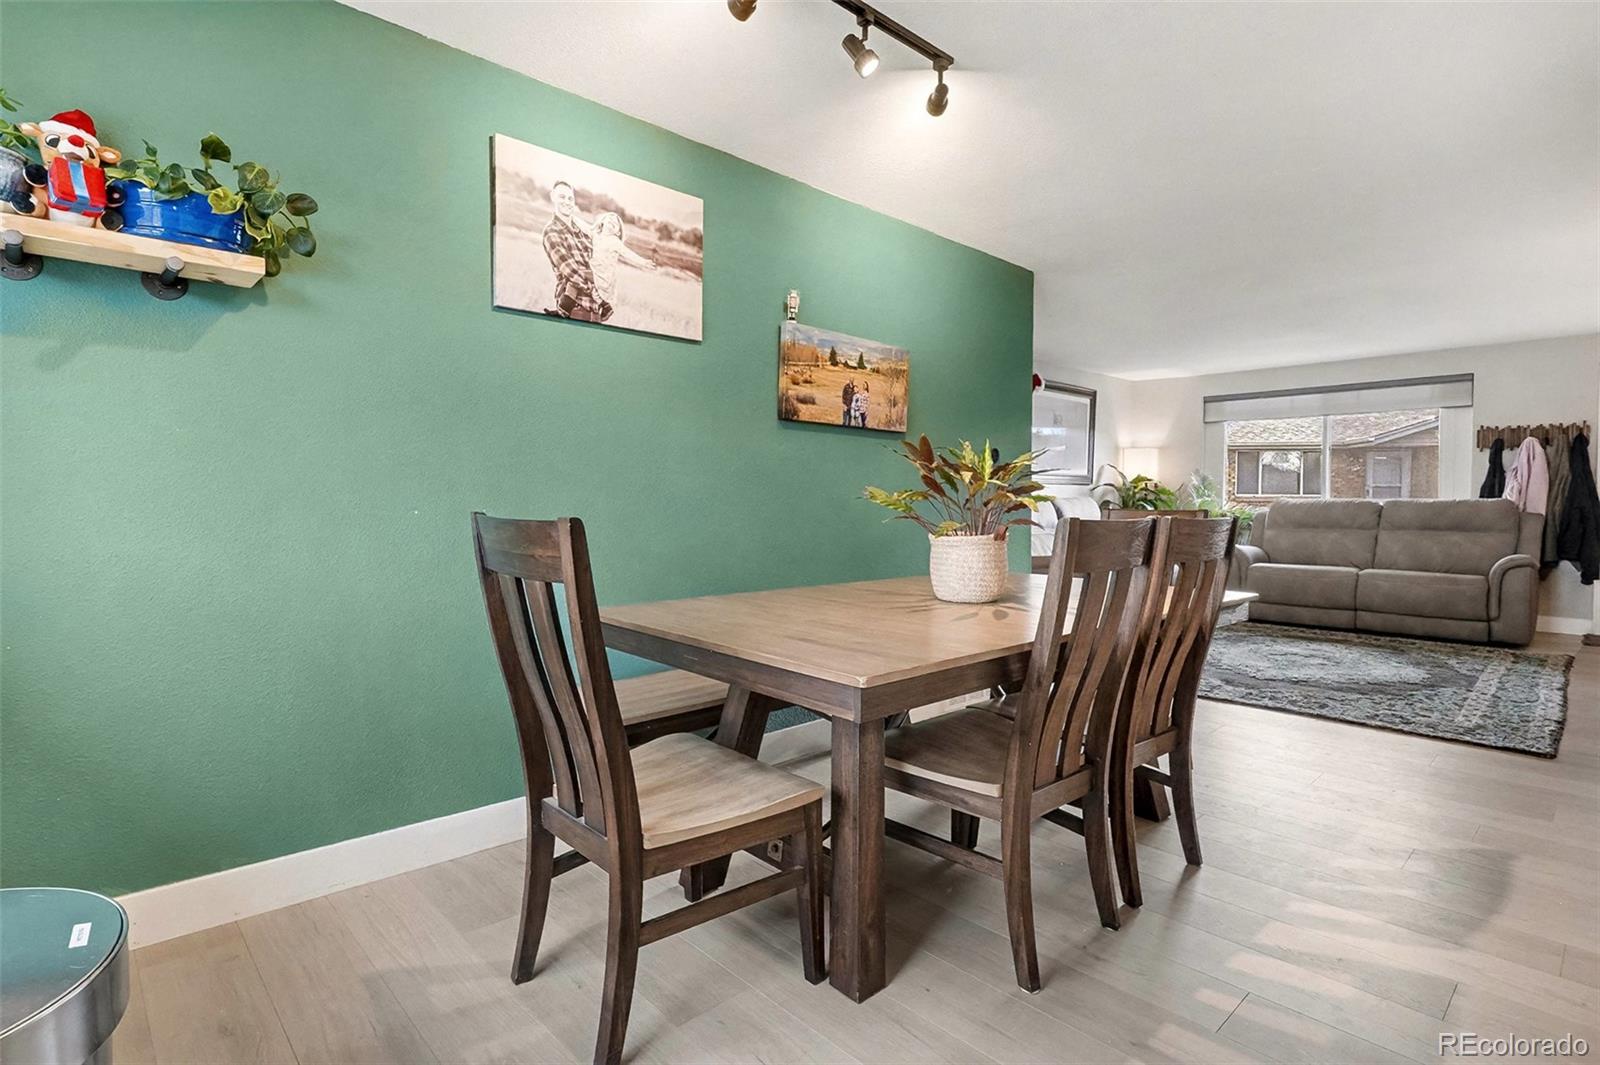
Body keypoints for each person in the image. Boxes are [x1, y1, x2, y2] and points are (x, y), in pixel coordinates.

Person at [541, 180, 595, 321]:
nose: (567, 202)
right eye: (562, 197)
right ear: (553, 197)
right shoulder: (552, 231)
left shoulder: (582, 232)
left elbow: (598, 264)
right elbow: (571, 270)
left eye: (570, 198)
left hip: (594, 309)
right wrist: (598, 286)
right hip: (573, 308)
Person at [589, 211, 656, 323]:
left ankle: (604, 307)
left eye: (616, 223)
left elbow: (627, 253)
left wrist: (643, 262)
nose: (612, 221)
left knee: (596, 293)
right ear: (602, 221)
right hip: (594, 269)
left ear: (618, 231)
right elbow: (584, 227)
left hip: (605, 275)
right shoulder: (595, 235)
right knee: (587, 288)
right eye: (610, 219)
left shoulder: (614, 241)